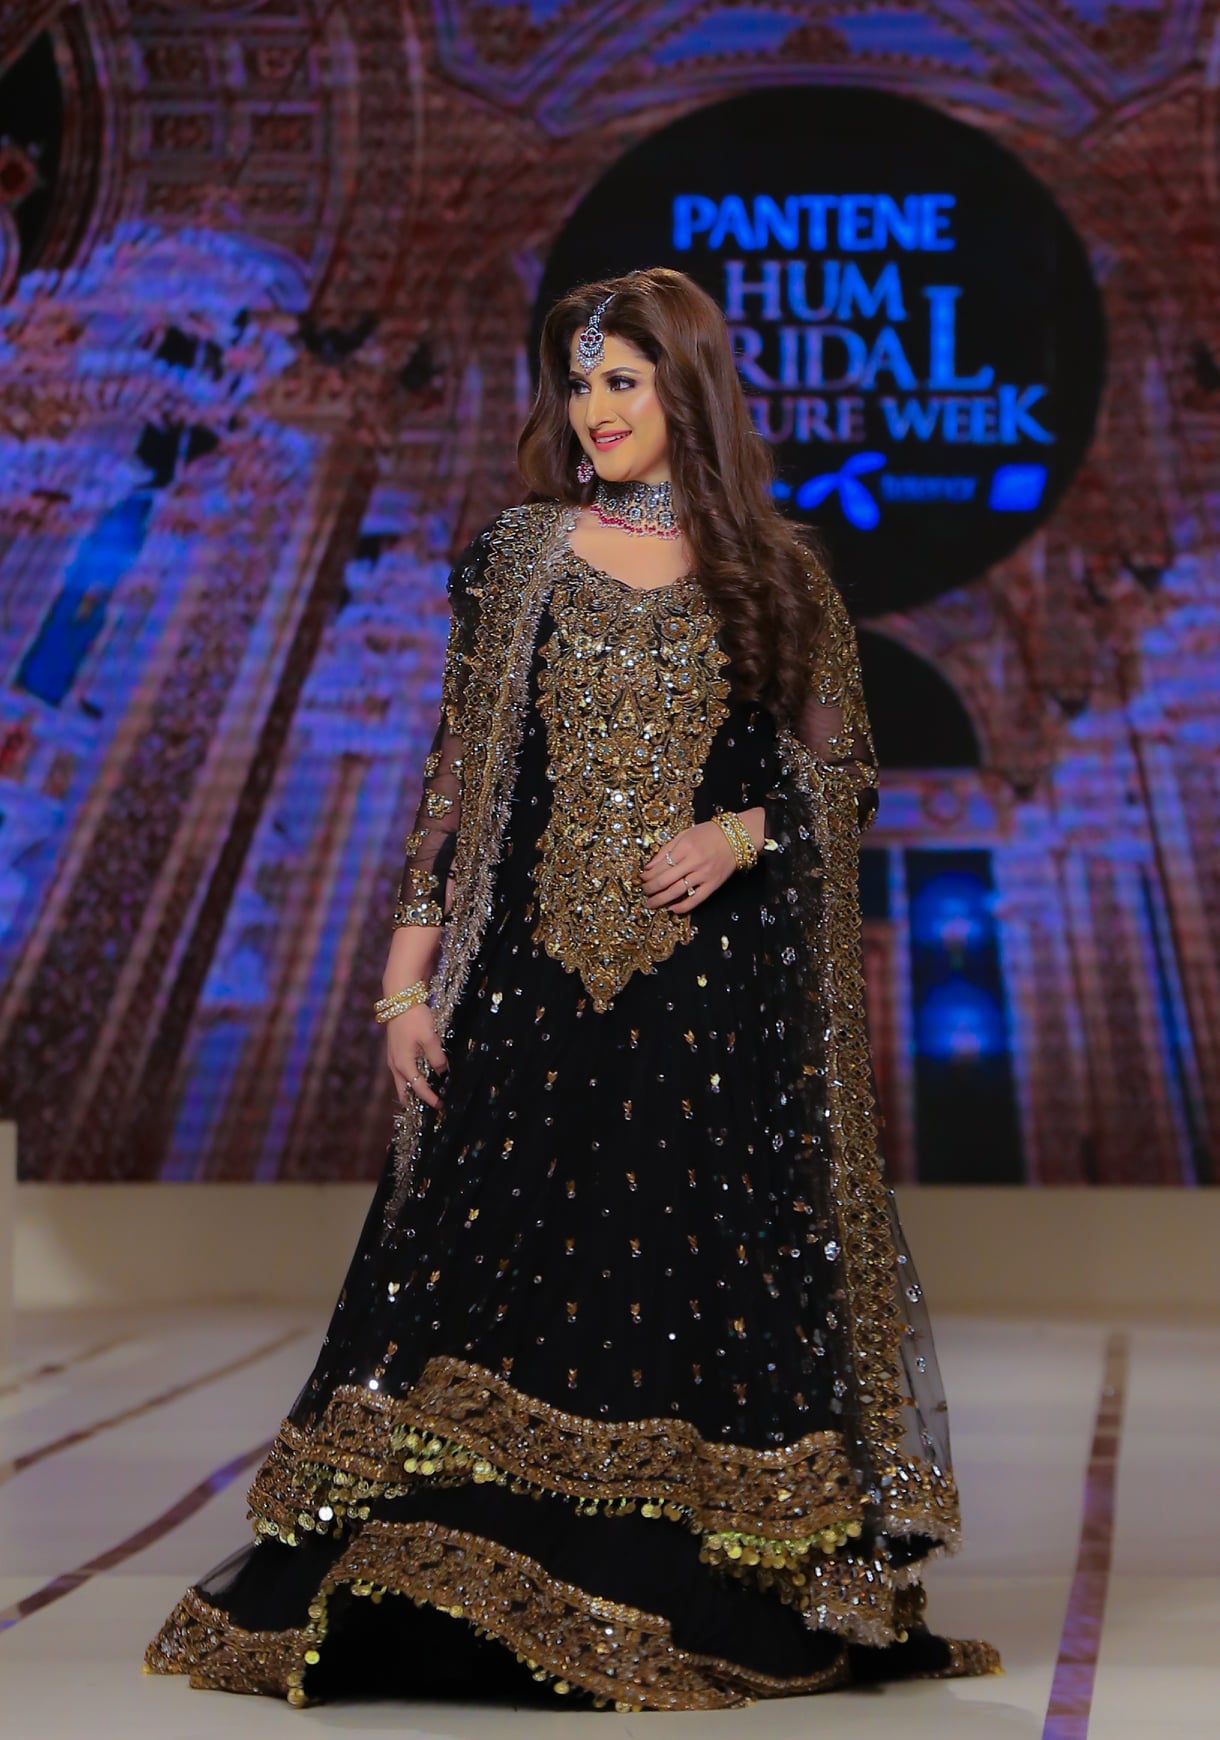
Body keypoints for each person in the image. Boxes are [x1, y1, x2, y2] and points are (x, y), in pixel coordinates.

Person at [144, 267, 1000, 1712]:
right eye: (580, 381)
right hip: (532, 991)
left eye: (623, 381)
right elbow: (459, 777)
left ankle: (685, 1575)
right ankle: (464, 1580)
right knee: (493, 1275)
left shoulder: (778, 572)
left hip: (712, 1010)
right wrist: (405, 981)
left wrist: (740, 834)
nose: (595, 408)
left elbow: (842, 772)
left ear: (687, 391)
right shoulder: (519, 554)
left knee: (687, 1279)